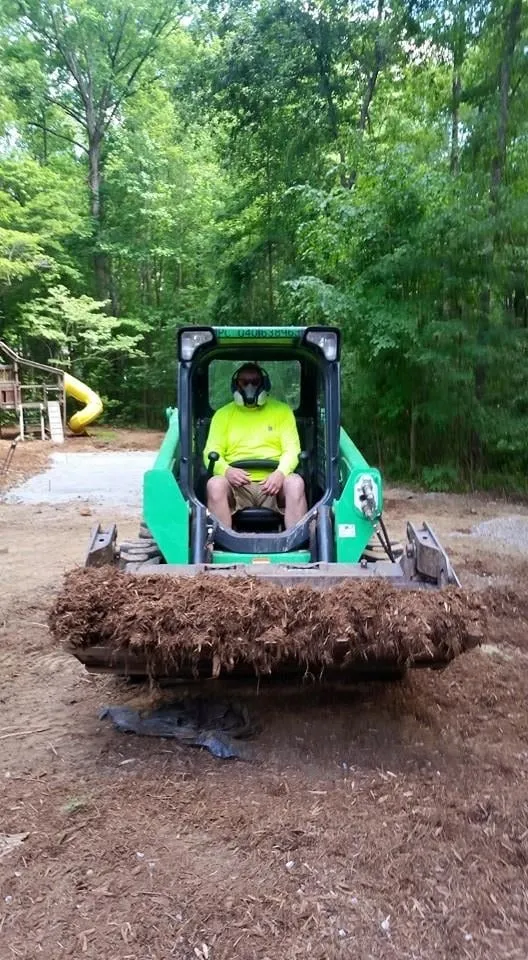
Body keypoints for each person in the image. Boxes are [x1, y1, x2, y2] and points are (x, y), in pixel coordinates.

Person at [204, 362, 307, 529]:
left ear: (264, 384)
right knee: (215, 485)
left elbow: (292, 449)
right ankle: (219, 545)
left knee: (295, 483)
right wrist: (226, 471)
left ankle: (297, 544)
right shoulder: (222, 415)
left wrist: (280, 474)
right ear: (236, 385)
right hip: (237, 487)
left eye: (255, 382)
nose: (249, 386)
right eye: (244, 382)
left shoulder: (282, 411)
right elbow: (211, 452)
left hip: (274, 484)